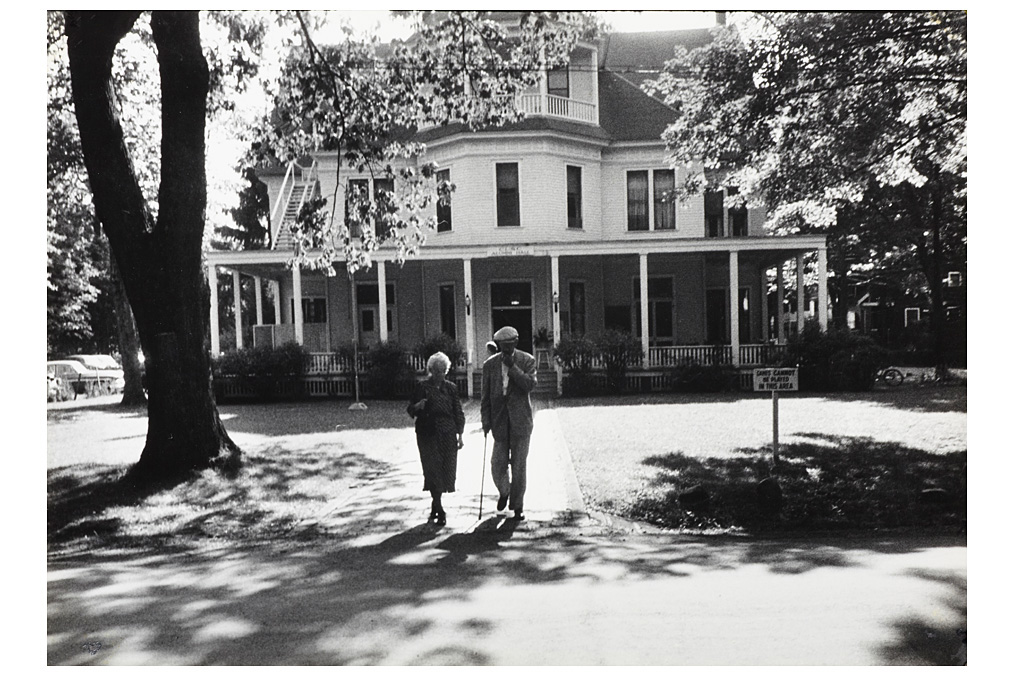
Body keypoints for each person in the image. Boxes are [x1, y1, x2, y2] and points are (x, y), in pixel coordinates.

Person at [480, 326, 537, 521]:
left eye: (508, 346)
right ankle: (504, 492)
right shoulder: (489, 365)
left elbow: (529, 385)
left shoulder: (527, 360)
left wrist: (512, 367)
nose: (504, 350)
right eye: (500, 346)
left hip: (521, 422)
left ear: (515, 343)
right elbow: (485, 397)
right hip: (499, 422)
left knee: (519, 466)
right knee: (497, 465)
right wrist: (486, 420)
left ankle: (517, 505)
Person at [407, 351, 465, 525]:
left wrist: (460, 435)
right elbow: (410, 409)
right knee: (432, 469)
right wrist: (418, 405)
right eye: (437, 371)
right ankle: (439, 508)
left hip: (448, 433)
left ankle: (435, 503)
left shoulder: (451, 388)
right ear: (431, 370)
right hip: (428, 433)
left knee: (446, 468)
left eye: (443, 371)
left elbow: (458, 411)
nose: (440, 374)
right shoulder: (422, 387)